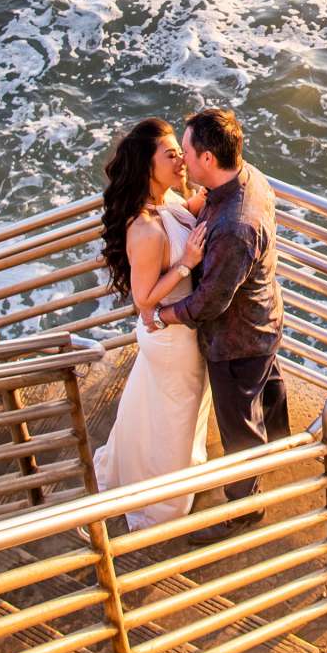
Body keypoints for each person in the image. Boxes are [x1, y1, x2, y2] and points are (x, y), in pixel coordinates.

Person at [149, 106, 286, 543]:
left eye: (187, 152)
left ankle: (245, 506)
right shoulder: (248, 178)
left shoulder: (233, 226)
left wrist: (166, 313)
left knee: (238, 425)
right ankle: (281, 444)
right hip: (264, 316)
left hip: (238, 340)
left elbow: (210, 302)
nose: (182, 161)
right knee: (267, 388)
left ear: (209, 159)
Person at [88, 118, 213, 533]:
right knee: (174, 413)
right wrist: (186, 265)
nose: (181, 160)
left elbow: (185, 213)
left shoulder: (170, 200)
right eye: (171, 154)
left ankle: (142, 472)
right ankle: (160, 504)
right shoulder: (143, 227)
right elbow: (143, 297)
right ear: (147, 165)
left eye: (181, 151)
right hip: (169, 334)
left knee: (160, 409)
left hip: (183, 328)